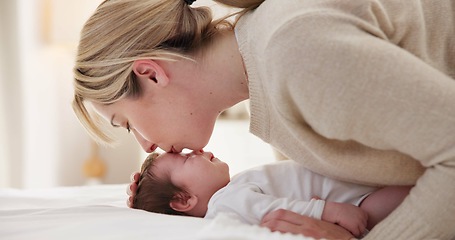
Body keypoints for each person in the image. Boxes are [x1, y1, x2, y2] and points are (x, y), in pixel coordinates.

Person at [72, 0, 455, 239]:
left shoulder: (296, 50)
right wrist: (159, 199)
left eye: (126, 124)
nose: (146, 146)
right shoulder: (270, 89)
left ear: (151, 74)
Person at [133, 150, 411, 238]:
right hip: (354, 204)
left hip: (350, 187)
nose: (198, 151)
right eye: (186, 159)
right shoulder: (224, 203)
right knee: (413, 192)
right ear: (183, 200)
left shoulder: (229, 193)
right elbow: (276, 210)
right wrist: (328, 211)